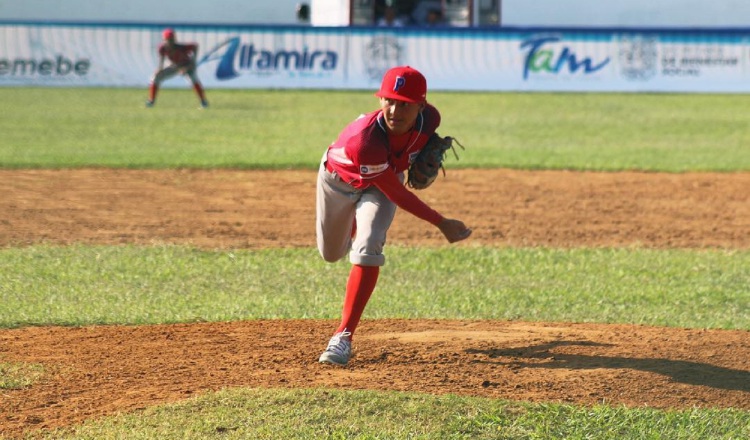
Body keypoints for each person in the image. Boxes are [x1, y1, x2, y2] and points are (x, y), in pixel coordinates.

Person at [316, 66, 472, 366]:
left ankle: (342, 336)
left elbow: (393, 180)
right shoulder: (365, 141)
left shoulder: (431, 120)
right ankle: (353, 225)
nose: (395, 110)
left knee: (368, 246)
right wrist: (442, 223)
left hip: (381, 185)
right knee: (332, 254)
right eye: (389, 100)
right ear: (380, 102)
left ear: (421, 106)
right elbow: (397, 194)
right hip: (337, 182)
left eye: (405, 103)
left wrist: (421, 153)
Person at [146, 28, 208, 108]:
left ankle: (203, 102)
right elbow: (162, 59)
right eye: (168, 39)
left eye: (171, 39)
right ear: (164, 39)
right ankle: (151, 101)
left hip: (187, 65)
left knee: (193, 80)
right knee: (155, 78)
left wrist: (193, 63)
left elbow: (195, 46)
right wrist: (160, 69)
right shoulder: (162, 48)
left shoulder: (180, 47)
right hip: (175, 65)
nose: (170, 41)